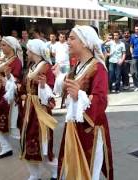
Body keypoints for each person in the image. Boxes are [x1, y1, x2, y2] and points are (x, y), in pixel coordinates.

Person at [54, 25, 113, 180]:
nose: (68, 41)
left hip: (90, 130)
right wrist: (60, 77)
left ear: (85, 43)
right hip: (74, 126)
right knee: (73, 168)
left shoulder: (98, 68)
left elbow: (100, 101)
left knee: (88, 172)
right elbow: (69, 85)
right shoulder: (77, 66)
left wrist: (78, 95)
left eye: (72, 38)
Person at [19, 39, 58, 180]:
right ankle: (34, 174)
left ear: (34, 51)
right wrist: (22, 92)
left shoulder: (45, 67)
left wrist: (42, 87)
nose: (27, 52)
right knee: (28, 139)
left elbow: (51, 91)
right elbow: (25, 85)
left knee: (42, 141)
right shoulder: (32, 66)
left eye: (29, 50)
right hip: (29, 108)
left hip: (40, 109)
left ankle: (56, 172)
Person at [0, 36, 23, 160]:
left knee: (13, 124)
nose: (1, 47)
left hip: (10, 97)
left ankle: (25, 146)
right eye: (1, 44)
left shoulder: (16, 61)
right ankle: (5, 148)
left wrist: (4, 78)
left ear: (11, 47)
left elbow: (17, 80)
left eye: (4, 45)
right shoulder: (6, 59)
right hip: (0, 94)